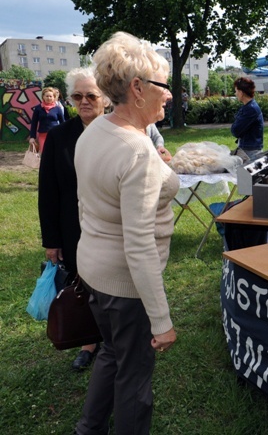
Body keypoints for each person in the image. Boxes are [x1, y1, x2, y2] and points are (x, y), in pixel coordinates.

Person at [73, 31, 178, 435]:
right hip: (124, 284)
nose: (169, 94)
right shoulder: (136, 151)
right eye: (163, 85)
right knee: (134, 378)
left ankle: (89, 428)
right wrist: (161, 320)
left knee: (112, 354)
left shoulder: (96, 130)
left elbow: (89, 203)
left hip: (94, 272)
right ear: (137, 88)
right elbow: (139, 245)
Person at [38, 67, 110, 371]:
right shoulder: (58, 137)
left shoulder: (118, 133)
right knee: (83, 283)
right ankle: (89, 340)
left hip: (113, 227)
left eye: (91, 95)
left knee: (115, 283)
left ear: (105, 98)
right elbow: (48, 192)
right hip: (74, 228)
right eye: (77, 96)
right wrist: (52, 241)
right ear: (69, 99)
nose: (84, 101)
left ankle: (115, 333)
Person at [231, 76, 264, 161]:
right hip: (248, 149)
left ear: (241, 92)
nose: (235, 94)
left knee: (246, 174)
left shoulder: (250, 109)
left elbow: (236, 131)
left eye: (236, 91)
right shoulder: (248, 106)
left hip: (250, 152)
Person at [29, 86, 65, 154]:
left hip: (55, 135)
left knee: (55, 153)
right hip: (43, 135)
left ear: (54, 97)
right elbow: (34, 123)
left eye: (50, 96)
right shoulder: (38, 108)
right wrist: (32, 137)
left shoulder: (58, 108)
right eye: (47, 96)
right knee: (45, 153)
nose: (49, 98)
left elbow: (63, 123)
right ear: (43, 97)